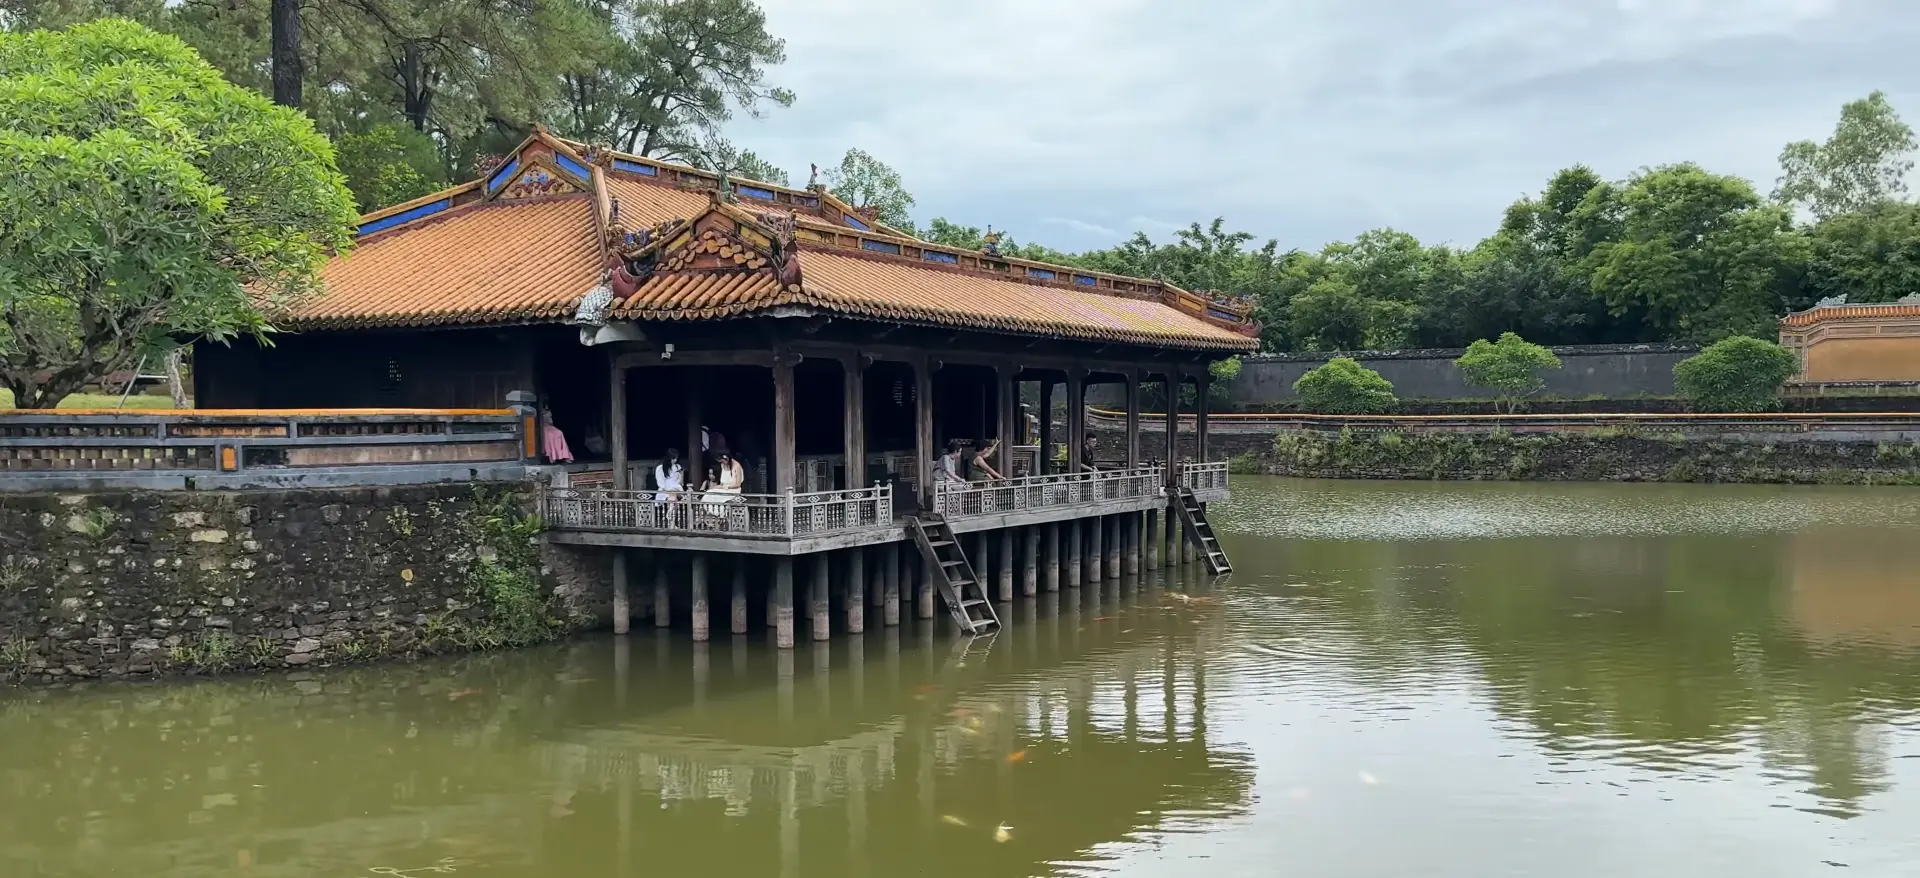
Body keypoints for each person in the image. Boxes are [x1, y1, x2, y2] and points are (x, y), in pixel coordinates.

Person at [701, 451, 746, 523]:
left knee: (714, 495)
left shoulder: (737, 466)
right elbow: (722, 482)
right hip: (723, 488)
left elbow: (737, 484)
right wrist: (717, 487)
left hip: (733, 489)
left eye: (723, 461)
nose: (722, 463)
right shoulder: (723, 465)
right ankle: (715, 515)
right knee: (708, 493)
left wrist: (725, 487)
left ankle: (721, 515)